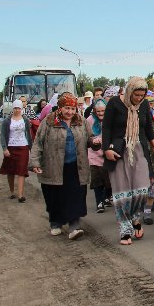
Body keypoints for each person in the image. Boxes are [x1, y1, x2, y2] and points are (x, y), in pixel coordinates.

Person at [101, 77, 154, 245]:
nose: (139, 98)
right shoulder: (114, 103)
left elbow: (148, 129)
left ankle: (135, 217)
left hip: (139, 151)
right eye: (136, 95)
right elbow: (106, 127)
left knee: (142, 189)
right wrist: (106, 149)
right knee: (123, 193)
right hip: (119, 152)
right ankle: (125, 230)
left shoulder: (144, 105)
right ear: (129, 91)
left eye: (142, 95)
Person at [29, 93, 92, 240]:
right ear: (60, 107)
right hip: (53, 166)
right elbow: (38, 143)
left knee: (75, 196)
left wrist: (95, 142)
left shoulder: (81, 121)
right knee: (55, 196)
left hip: (76, 166)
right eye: (66, 108)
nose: (70, 112)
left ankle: (74, 226)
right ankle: (55, 223)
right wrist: (35, 162)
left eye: (72, 109)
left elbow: (90, 138)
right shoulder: (49, 121)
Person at [0, 99, 32, 202]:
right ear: (12, 109)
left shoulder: (25, 120)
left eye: (19, 108)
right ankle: (12, 192)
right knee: (11, 170)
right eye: (15, 108)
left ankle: (20, 195)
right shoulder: (7, 121)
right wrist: (5, 148)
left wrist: (31, 148)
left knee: (21, 170)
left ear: (21, 109)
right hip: (11, 147)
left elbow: (28, 134)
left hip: (23, 147)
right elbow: (3, 135)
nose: (17, 110)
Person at [87, 99, 110, 212]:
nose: (101, 113)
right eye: (98, 111)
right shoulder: (90, 120)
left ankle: (106, 197)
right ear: (94, 111)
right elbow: (87, 136)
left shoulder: (111, 119)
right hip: (94, 154)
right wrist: (93, 141)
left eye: (103, 111)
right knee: (97, 179)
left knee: (107, 179)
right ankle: (99, 203)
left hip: (107, 153)